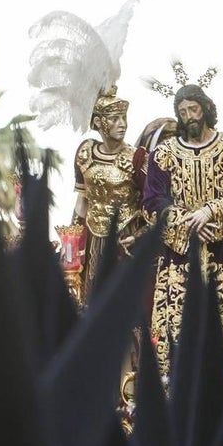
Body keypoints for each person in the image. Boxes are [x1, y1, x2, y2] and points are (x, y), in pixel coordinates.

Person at [144, 84, 223, 372]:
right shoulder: (164, 155)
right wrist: (189, 223)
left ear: (206, 109)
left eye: (194, 109)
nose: (189, 117)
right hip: (180, 256)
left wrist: (211, 212)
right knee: (177, 329)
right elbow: (151, 203)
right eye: (183, 111)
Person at [70, 87, 147, 300]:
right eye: (114, 119)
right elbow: (82, 201)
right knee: (91, 295)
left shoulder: (137, 158)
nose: (122, 124)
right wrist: (73, 240)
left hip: (125, 234)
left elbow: (153, 204)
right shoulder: (85, 152)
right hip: (94, 235)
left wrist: (139, 236)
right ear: (98, 122)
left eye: (123, 117)